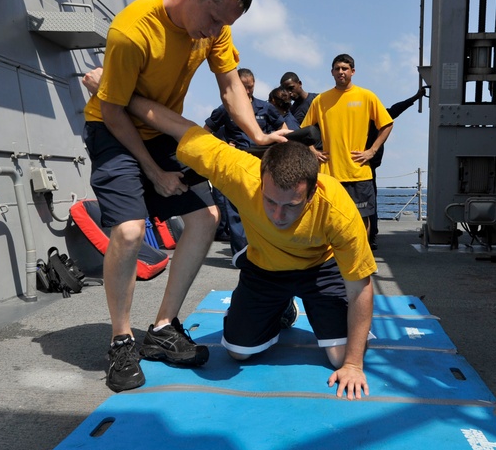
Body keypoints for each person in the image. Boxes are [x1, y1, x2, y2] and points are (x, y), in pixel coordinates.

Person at [82, 0, 287, 393]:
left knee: (205, 218)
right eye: (213, 19)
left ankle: (162, 328)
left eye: (223, 25)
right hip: (112, 129)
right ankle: (121, 339)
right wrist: (155, 172)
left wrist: (258, 135)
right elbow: (115, 111)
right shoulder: (132, 32)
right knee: (131, 232)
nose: (215, 32)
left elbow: (231, 85)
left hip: (158, 130)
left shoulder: (216, 25)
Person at [127, 94, 375, 400]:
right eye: (270, 201)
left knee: (341, 357)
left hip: (319, 269)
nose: (278, 215)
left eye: (291, 206)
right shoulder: (240, 172)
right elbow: (181, 128)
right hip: (265, 268)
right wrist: (120, 93)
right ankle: (281, 308)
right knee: (238, 353)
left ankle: (314, 320)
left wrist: (353, 364)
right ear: (260, 179)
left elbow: (360, 287)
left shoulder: (337, 210)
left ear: (312, 194)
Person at [301, 54, 394, 238]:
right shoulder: (320, 100)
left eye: (345, 68)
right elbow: (303, 130)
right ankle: (333, 261)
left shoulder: (366, 96)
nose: (341, 72)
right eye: (337, 68)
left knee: (362, 219)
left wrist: (372, 151)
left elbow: (387, 124)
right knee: (328, 219)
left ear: (353, 71)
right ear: (332, 72)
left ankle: (361, 259)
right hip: (329, 173)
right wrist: (313, 151)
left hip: (358, 172)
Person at [204, 68, 288, 257]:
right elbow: (205, 132)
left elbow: (283, 128)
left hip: (262, 164)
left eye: (250, 87)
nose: (248, 91)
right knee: (235, 208)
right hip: (236, 163)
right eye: (244, 87)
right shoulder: (225, 109)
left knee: (264, 206)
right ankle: (241, 254)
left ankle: (266, 251)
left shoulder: (265, 108)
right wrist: (224, 146)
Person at [366, 85, 427, 249]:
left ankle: (369, 236)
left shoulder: (368, 117)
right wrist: (415, 97)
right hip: (368, 162)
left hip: (365, 162)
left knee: (366, 201)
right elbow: (396, 109)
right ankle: (371, 236)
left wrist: (415, 97)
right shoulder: (377, 116)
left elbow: (397, 108)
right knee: (370, 201)